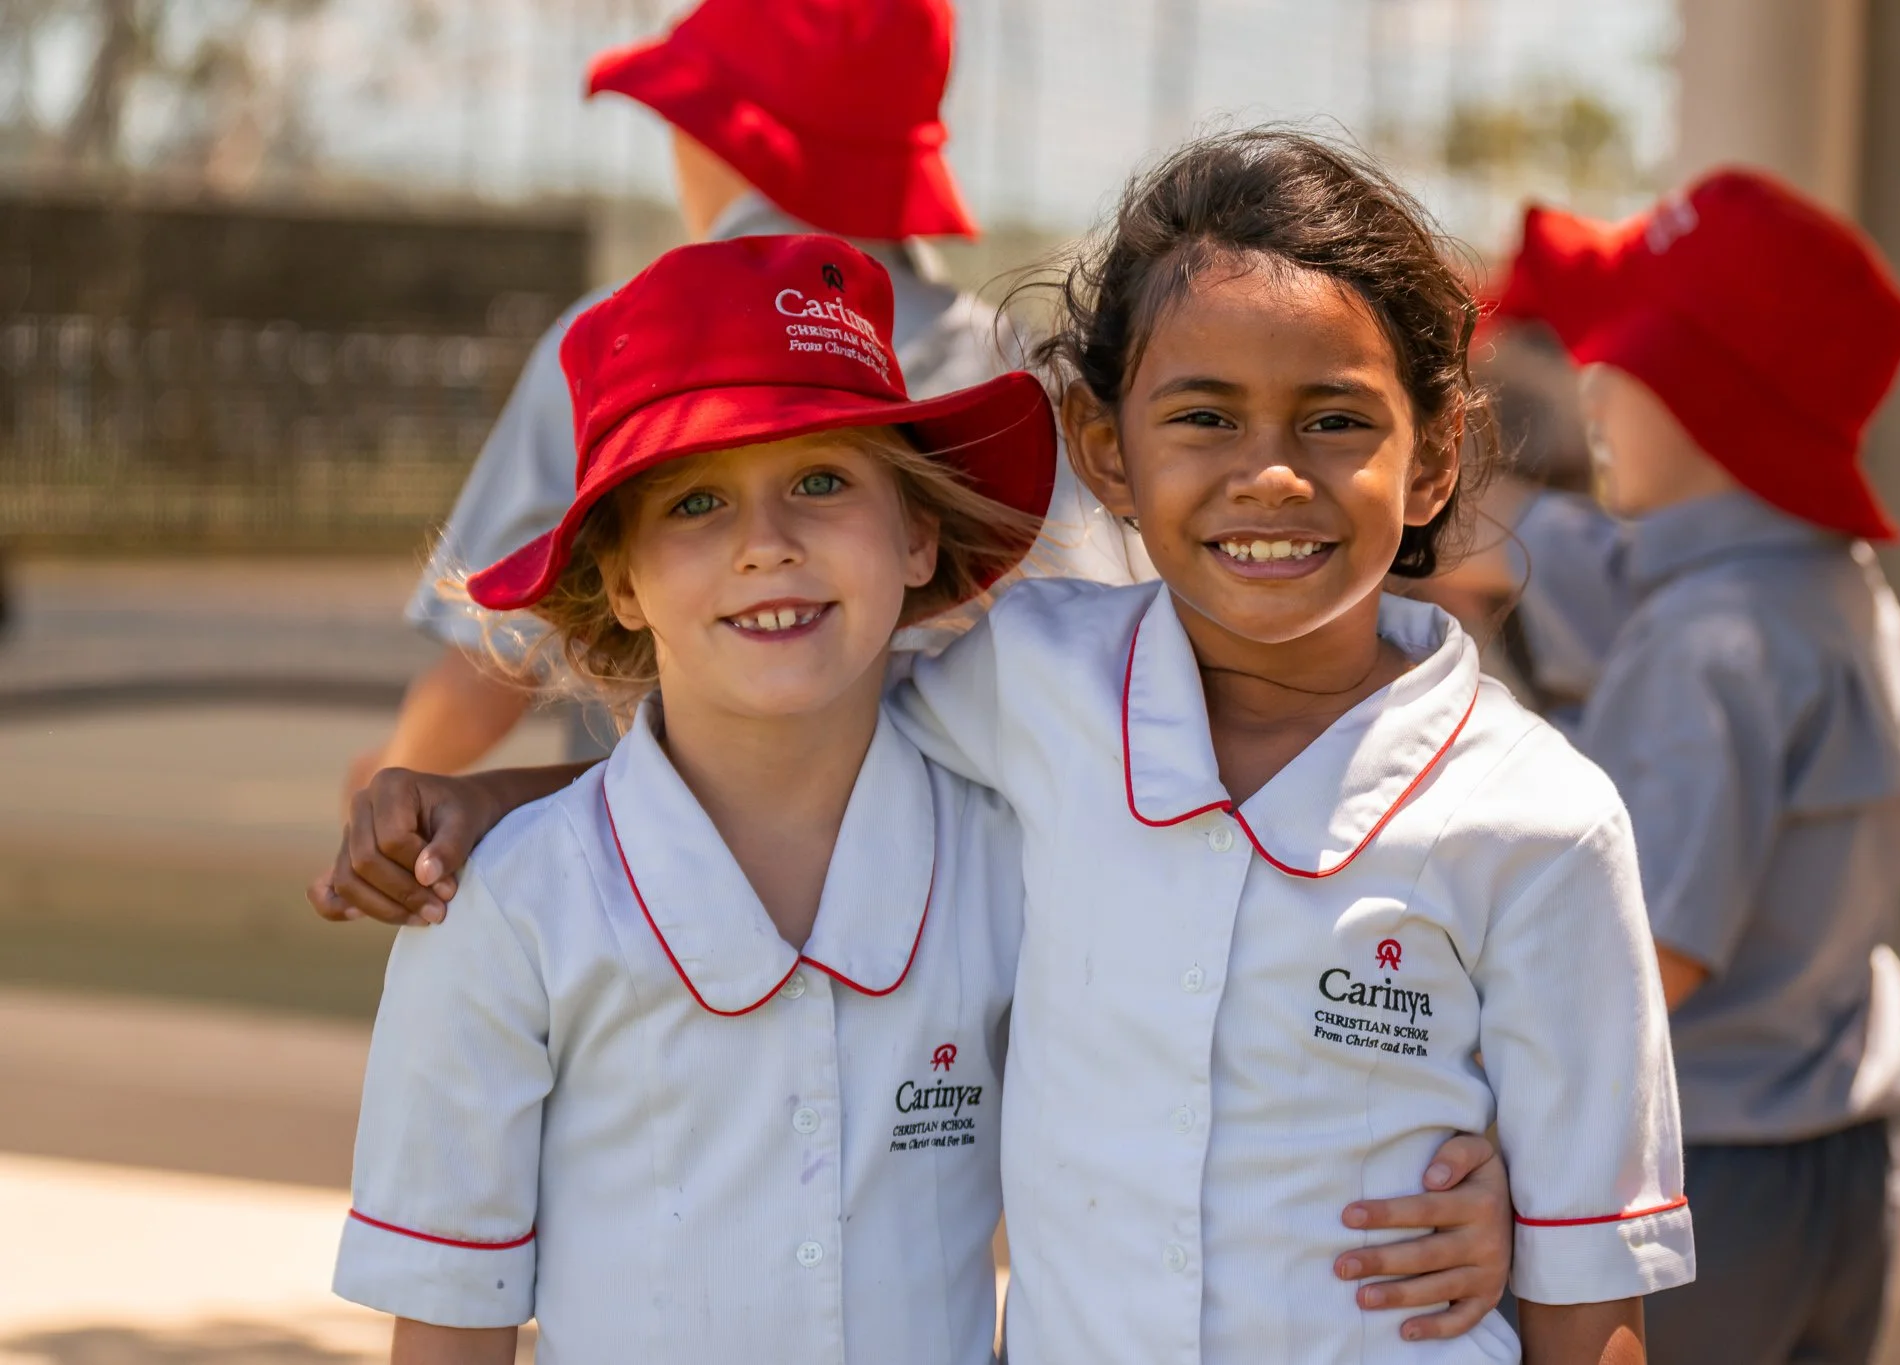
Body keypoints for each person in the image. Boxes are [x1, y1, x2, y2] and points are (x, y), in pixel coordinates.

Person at [319, 130, 1693, 1364]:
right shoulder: (1028, 688)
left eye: (1335, 420)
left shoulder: (1543, 820)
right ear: (1105, 451)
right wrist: (486, 803)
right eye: (1204, 414)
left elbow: (1594, 1286)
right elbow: (765, 745)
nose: (1271, 473)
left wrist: (1520, 1202)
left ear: (1437, 456)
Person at [335, 235, 1058, 1361]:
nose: (766, 547)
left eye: (821, 481)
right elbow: (449, 1322)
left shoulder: (1022, 860)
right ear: (619, 581)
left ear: (917, 533)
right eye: (694, 503)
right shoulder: (505, 907)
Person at [346, 0, 1143, 796]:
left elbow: (495, 657)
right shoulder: (1019, 365)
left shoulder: (624, 344)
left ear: (725, 134)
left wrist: (392, 778)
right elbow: (1105, 663)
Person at [1493, 169, 1900, 1365]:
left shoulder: (1702, 644)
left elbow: (1654, 954)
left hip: (1705, 1177)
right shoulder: (1828, 590)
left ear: (1703, 404)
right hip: (1835, 1155)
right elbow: (1606, 567)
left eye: (1624, 365)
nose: (1592, 389)